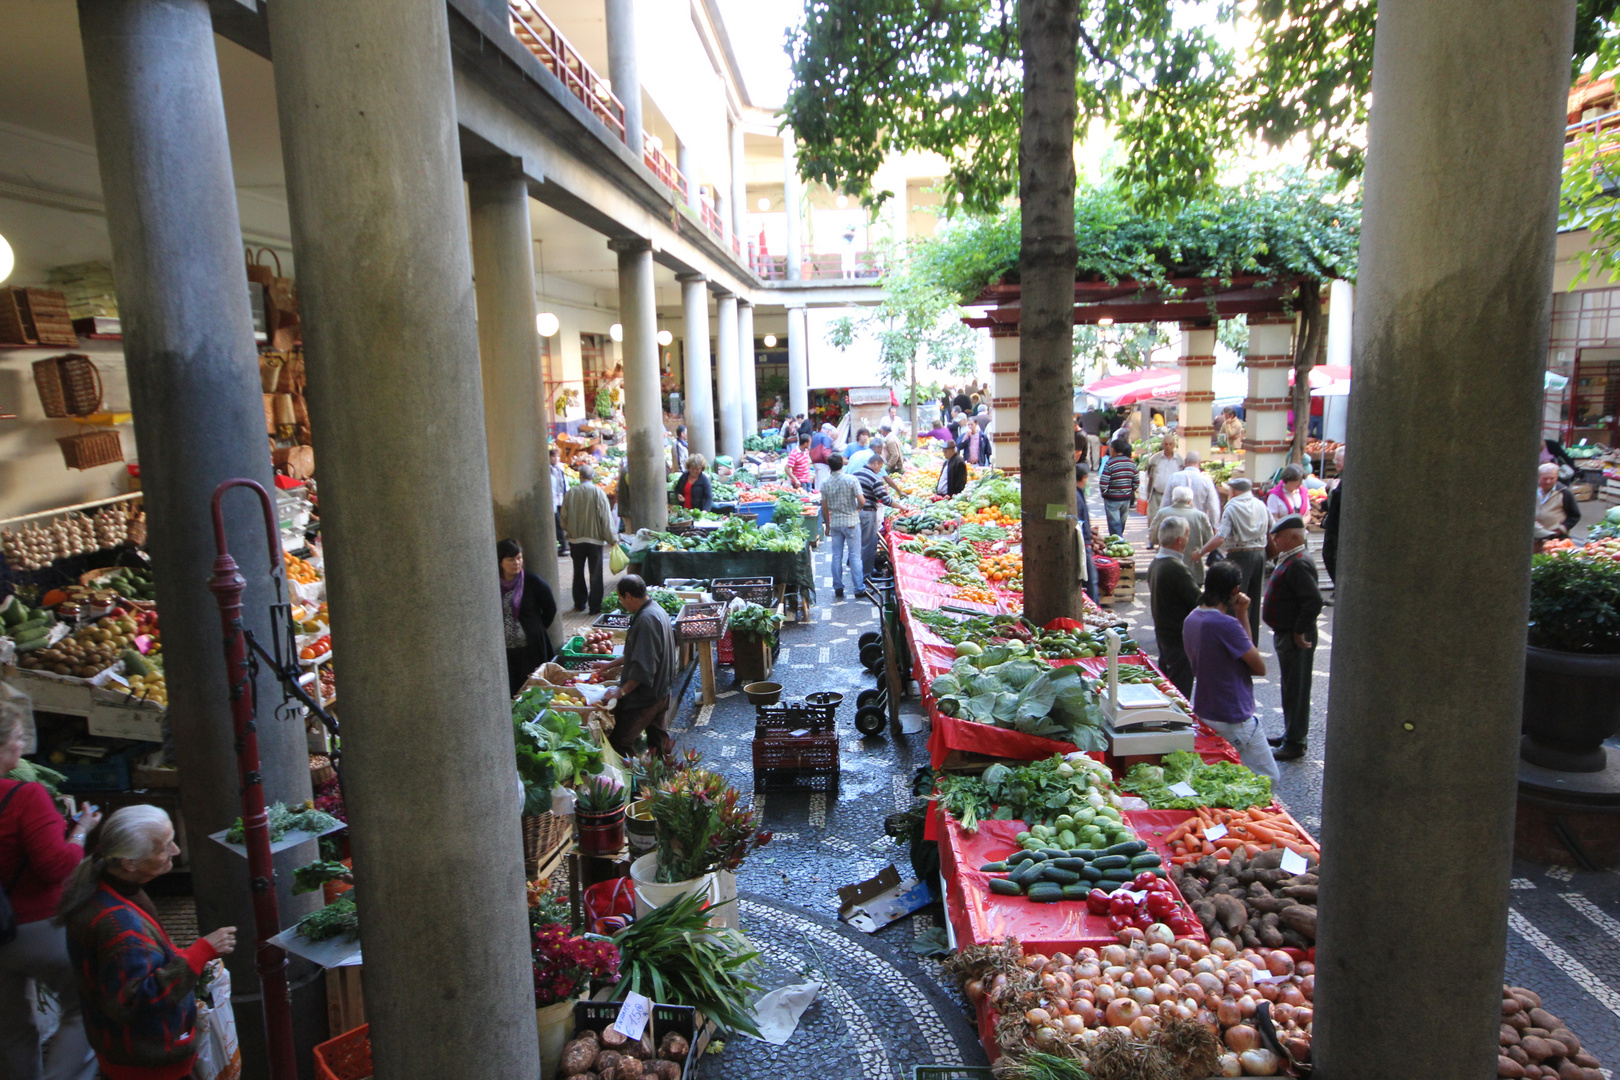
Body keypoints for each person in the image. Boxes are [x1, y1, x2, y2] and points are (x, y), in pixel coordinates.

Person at [60, 806, 236, 1080]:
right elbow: (135, 1002)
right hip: (147, 1063)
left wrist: (178, 956)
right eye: (165, 847)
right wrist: (200, 952)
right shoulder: (119, 925)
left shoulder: (104, 887)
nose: (176, 851)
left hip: (121, 1053)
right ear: (130, 863)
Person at [0, 690, 97, 1080]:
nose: (23, 746)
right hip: (37, 927)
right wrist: (80, 832)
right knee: (85, 1006)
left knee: (9, 1029)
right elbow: (56, 866)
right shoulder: (25, 796)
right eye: (18, 739)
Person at [1181, 562, 1280, 782]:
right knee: (1268, 777)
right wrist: (1241, 615)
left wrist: (1241, 614)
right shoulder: (1226, 625)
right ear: (1234, 591)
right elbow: (1259, 666)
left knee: (1226, 778)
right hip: (1233, 713)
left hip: (1206, 710)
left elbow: (1244, 648)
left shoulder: (1191, 619)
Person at [1261, 514, 1323, 762]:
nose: (1273, 539)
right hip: (1286, 632)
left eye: (1278, 536)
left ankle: (1295, 742)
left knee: (1296, 688)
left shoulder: (1297, 562)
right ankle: (1290, 734)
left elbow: (1313, 601)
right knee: (1289, 686)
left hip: (1295, 635)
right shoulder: (1290, 558)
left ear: (1293, 537)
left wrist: (1299, 630)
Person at [594, 576, 677, 756]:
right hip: (662, 691)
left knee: (620, 742)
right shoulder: (656, 611)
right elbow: (637, 653)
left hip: (646, 697)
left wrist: (621, 692)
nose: (623, 604)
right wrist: (609, 664)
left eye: (621, 599)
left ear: (629, 596)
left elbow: (643, 668)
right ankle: (664, 778)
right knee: (659, 742)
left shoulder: (646, 620)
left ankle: (637, 780)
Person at [1195, 477, 1269, 642]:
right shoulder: (1261, 504)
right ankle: (1251, 642)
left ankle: (1233, 640)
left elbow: (1221, 537)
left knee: (1233, 598)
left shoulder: (1232, 506)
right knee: (1254, 601)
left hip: (1240, 555)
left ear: (1233, 491)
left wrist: (1201, 552)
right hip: (1260, 554)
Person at [498, 539, 557, 696]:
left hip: (530, 648)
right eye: (511, 559)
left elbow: (550, 608)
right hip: (505, 650)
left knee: (532, 690)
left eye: (519, 558)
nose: (516, 563)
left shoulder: (532, 582)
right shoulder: (493, 584)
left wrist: (536, 628)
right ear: (500, 561)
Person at [1148, 518, 1200, 696]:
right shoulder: (1175, 568)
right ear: (1180, 540)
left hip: (1164, 635)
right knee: (1179, 693)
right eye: (1187, 535)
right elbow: (1197, 602)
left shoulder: (1156, 563)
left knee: (1168, 687)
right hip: (1179, 638)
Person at [561, 464, 616, 614]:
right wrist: (612, 538)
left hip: (575, 540)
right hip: (594, 540)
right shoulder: (598, 493)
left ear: (580, 476)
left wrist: (570, 530)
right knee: (596, 573)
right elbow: (605, 518)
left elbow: (563, 518)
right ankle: (595, 606)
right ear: (593, 477)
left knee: (577, 571)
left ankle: (579, 603)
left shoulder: (571, 493)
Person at [819, 453, 864, 599]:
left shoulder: (825, 483)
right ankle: (858, 588)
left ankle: (838, 587)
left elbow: (824, 508)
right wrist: (857, 509)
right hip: (851, 522)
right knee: (855, 556)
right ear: (841, 463)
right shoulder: (851, 480)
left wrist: (827, 525)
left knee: (836, 556)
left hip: (836, 523)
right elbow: (862, 501)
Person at [1150, 487, 1214, 587]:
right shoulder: (1201, 516)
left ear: (1174, 499)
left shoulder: (1163, 513)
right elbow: (1209, 540)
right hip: (1193, 568)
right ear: (1190, 500)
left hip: (1166, 567)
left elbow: (1152, 537)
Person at [857, 455, 899, 591]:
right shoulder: (874, 478)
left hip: (856, 513)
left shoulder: (856, 474)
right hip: (868, 512)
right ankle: (866, 576)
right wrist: (901, 507)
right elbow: (885, 499)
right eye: (880, 467)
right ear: (875, 463)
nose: (880, 470)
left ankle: (860, 575)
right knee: (869, 545)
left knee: (859, 545)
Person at [1142, 433, 1184, 547]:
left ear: (1174, 445)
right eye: (1166, 444)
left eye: (1170, 444)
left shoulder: (1179, 460)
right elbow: (1149, 474)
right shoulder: (1155, 458)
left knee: (1170, 519)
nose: (1168, 446)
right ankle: (1152, 540)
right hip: (1156, 493)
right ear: (1162, 445)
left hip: (1173, 496)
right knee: (1154, 518)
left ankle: (1167, 542)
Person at [1099, 438, 1139, 538]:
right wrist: (1130, 491)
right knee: (1121, 522)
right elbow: (1136, 481)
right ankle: (1119, 539)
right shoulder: (1131, 463)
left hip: (1112, 498)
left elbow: (1103, 482)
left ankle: (1117, 541)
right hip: (1126, 498)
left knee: (1114, 523)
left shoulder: (1110, 463)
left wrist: (1105, 494)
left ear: (1112, 450)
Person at [1534, 462, 1581, 538]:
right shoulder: (1531, 490)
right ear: (1539, 477)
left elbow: (1574, 515)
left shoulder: (1565, 493)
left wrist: (1561, 530)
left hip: (1555, 535)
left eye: (1552, 478)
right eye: (1545, 478)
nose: (1548, 481)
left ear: (1557, 477)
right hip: (1533, 535)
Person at [1321, 446, 1345, 584]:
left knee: (1334, 556)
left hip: (1338, 525)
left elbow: (1342, 500)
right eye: (1335, 459)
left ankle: (1338, 588)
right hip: (1331, 523)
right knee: (1328, 555)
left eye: (1339, 460)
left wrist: (1334, 490)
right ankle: (1337, 586)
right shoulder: (1338, 476)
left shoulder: (1348, 478)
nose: (1336, 463)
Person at [1075, 462, 1099, 602]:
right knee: (1091, 581)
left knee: (1091, 580)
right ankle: (1095, 609)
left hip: (1084, 543)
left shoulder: (1077, 494)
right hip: (1083, 544)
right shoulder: (1076, 497)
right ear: (1084, 478)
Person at [550, 447, 570, 557]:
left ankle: (563, 545)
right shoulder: (549, 471)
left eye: (557, 456)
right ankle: (561, 546)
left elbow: (564, 485)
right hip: (554, 501)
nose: (556, 459)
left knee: (562, 523)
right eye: (553, 456)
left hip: (561, 500)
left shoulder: (560, 469)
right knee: (558, 524)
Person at [809, 424, 835, 490]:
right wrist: (830, 463)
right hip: (822, 462)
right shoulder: (826, 437)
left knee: (817, 481)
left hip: (815, 461)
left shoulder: (815, 436)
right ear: (828, 431)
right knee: (823, 483)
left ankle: (817, 496)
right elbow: (825, 451)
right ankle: (821, 498)